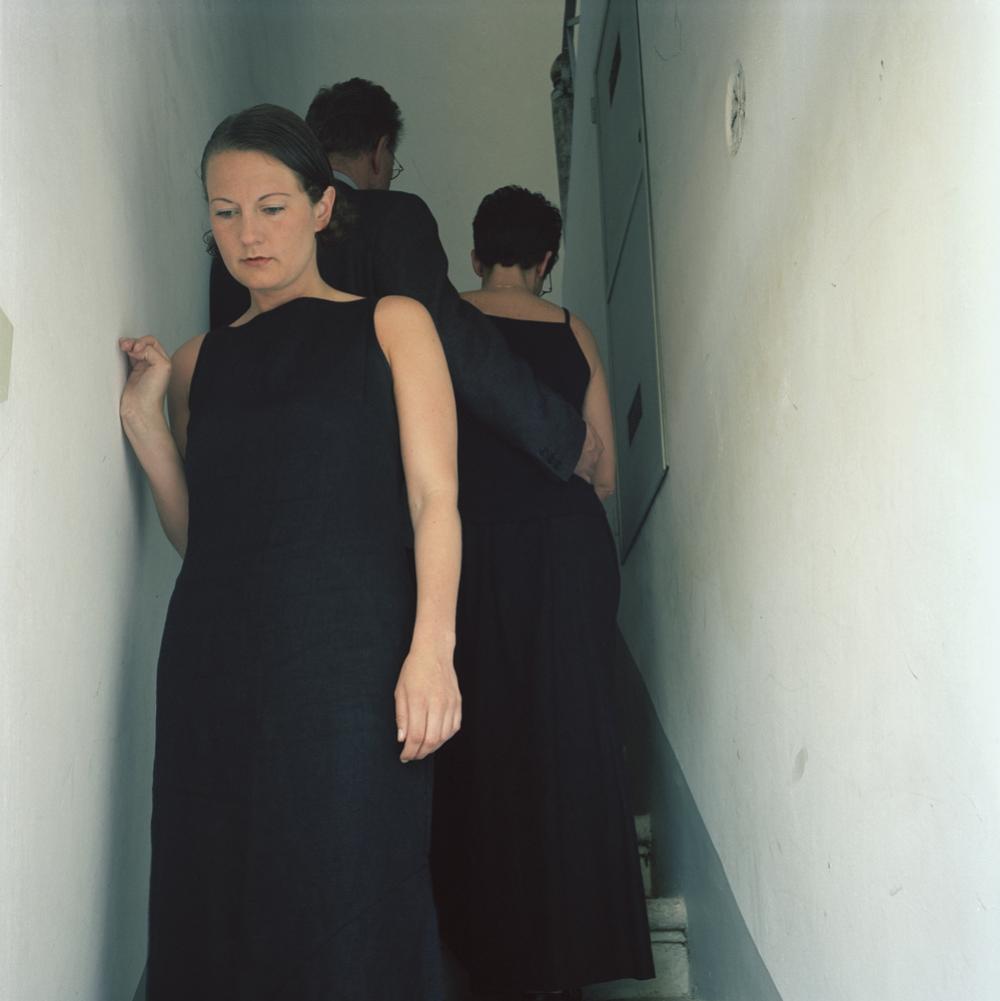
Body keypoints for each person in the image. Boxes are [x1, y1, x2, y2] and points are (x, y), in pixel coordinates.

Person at [119, 104, 461, 1000]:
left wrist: (433, 648)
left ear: (321, 204)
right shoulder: (199, 362)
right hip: (212, 669)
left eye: (271, 207)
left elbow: (435, 499)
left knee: (350, 889)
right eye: (225, 212)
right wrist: (146, 425)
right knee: (213, 896)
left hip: (351, 662)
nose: (248, 234)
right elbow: (203, 535)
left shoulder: (393, 323)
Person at [429, 186, 654, 1001]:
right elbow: (605, 473)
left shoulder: (441, 324)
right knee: (569, 739)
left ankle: (485, 957)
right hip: (566, 550)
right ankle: (572, 955)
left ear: (475, 251)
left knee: (482, 744)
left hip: (474, 548)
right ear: (547, 259)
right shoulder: (571, 330)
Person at [209, 77, 603, 488]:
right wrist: (562, 437)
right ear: (379, 153)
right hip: (371, 486)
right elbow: (452, 340)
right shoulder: (392, 219)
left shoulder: (236, 251)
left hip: (256, 481)